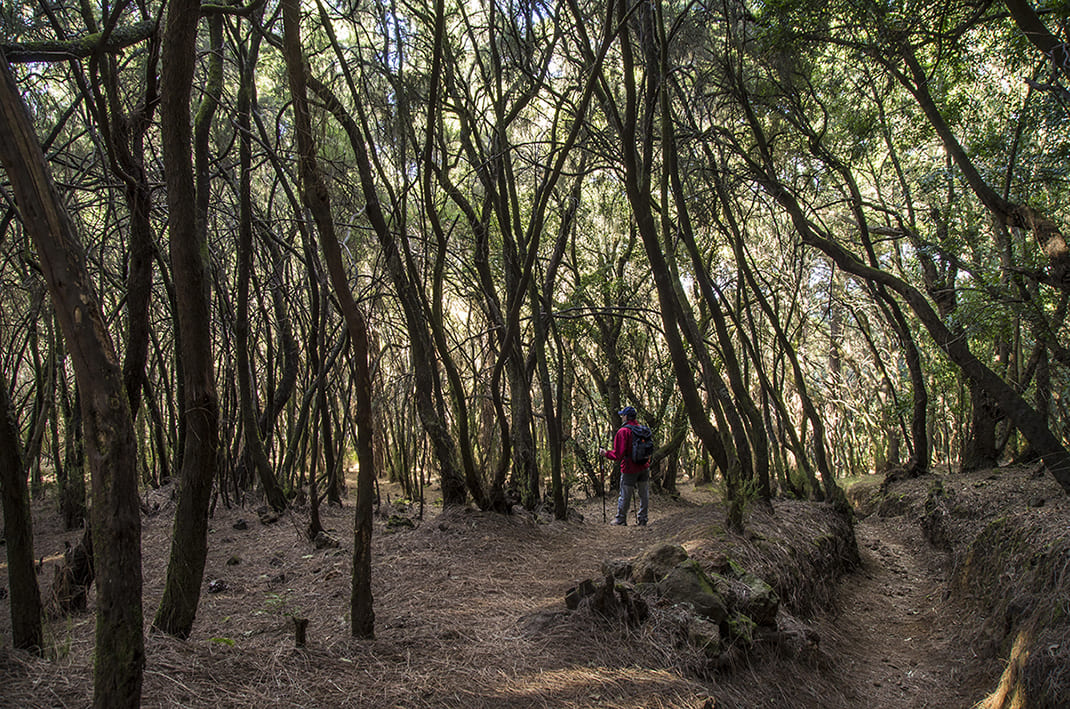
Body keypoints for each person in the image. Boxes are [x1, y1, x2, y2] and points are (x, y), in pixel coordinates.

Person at [601, 406, 651, 526]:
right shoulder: (641, 429)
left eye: (622, 415)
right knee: (644, 493)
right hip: (644, 466)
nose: (621, 417)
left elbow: (618, 454)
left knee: (625, 494)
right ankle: (643, 518)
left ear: (626, 417)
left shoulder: (623, 432)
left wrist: (605, 453)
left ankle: (621, 518)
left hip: (630, 468)